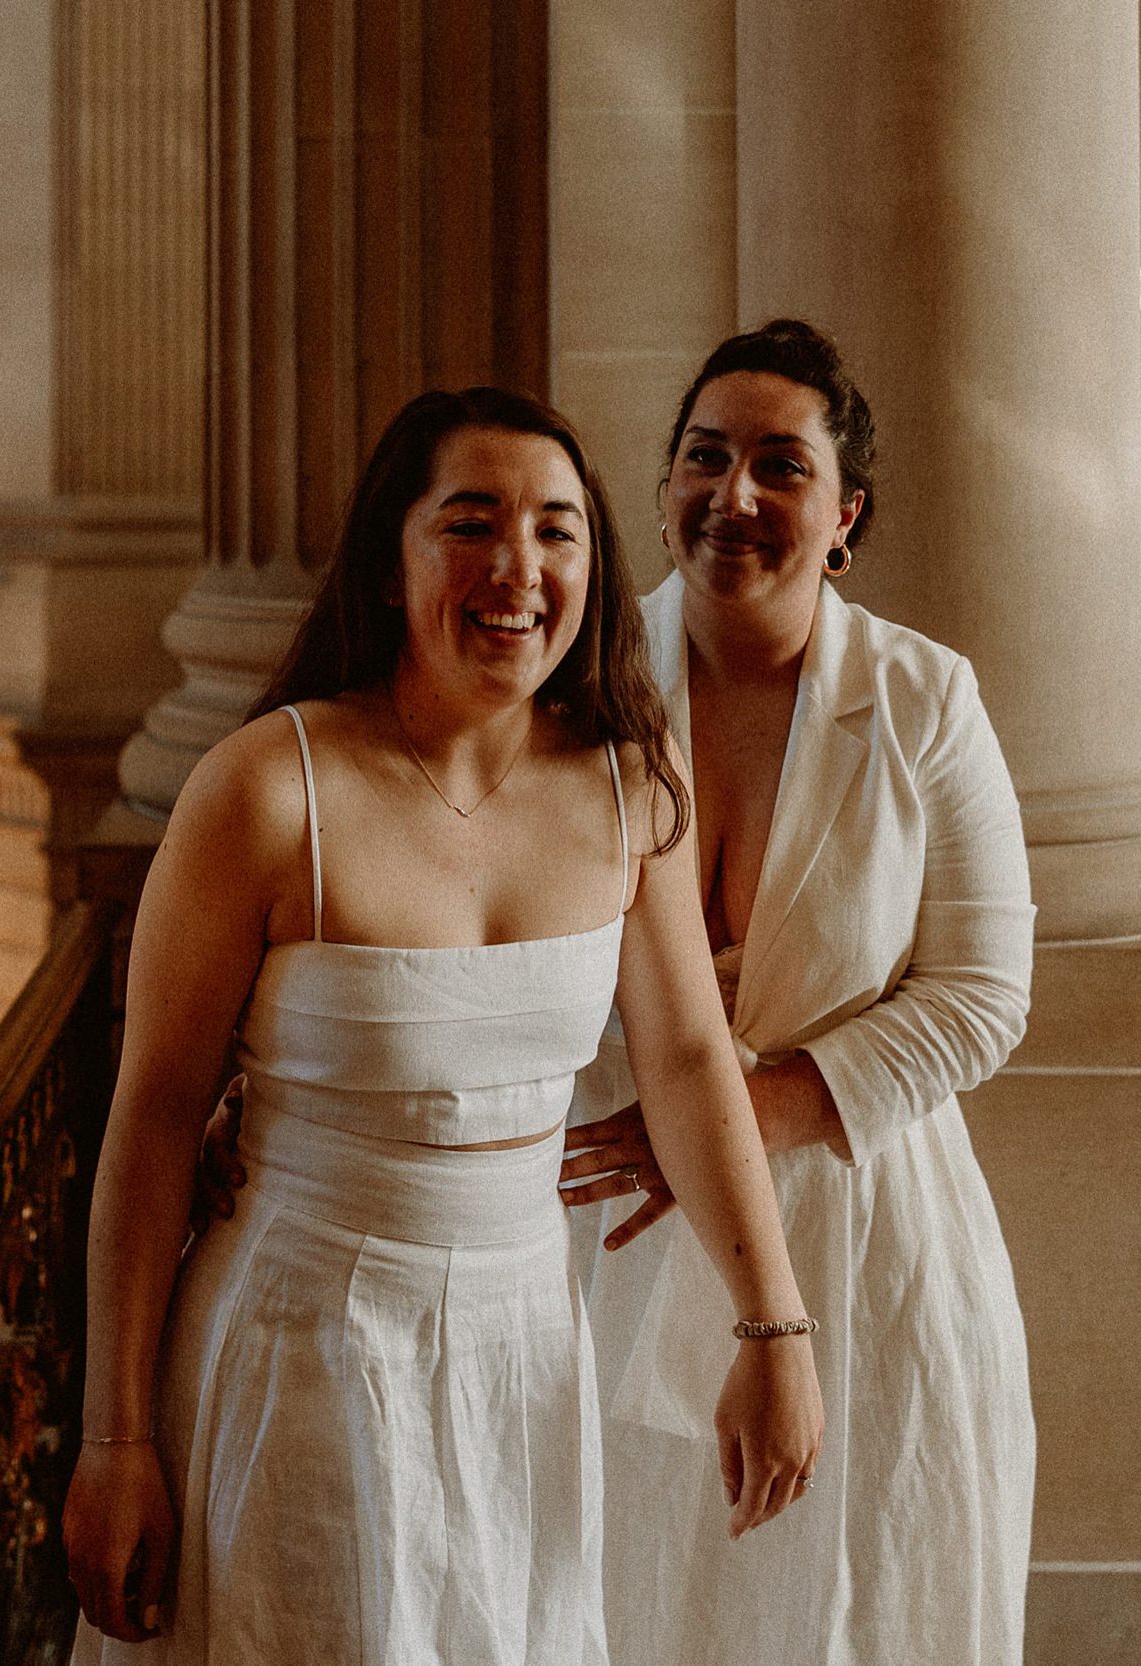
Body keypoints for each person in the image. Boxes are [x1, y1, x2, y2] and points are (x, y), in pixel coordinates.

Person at [63, 387, 824, 1665]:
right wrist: (113, 1437)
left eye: (557, 530)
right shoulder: (264, 790)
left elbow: (691, 1060)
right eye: (469, 524)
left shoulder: (632, 782)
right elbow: (149, 1121)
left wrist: (774, 1325)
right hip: (296, 1350)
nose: (516, 568)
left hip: (525, 1354)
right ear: (389, 555)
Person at [556, 320, 1036, 1665]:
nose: (736, 496)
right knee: (618, 1593)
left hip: (863, 1227)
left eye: (781, 466)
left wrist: (733, 1117)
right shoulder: (576, 690)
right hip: (605, 1232)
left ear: (843, 515)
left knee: (855, 1607)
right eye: (705, 458)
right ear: (663, 486)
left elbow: (986, 991)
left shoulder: (923, 697)